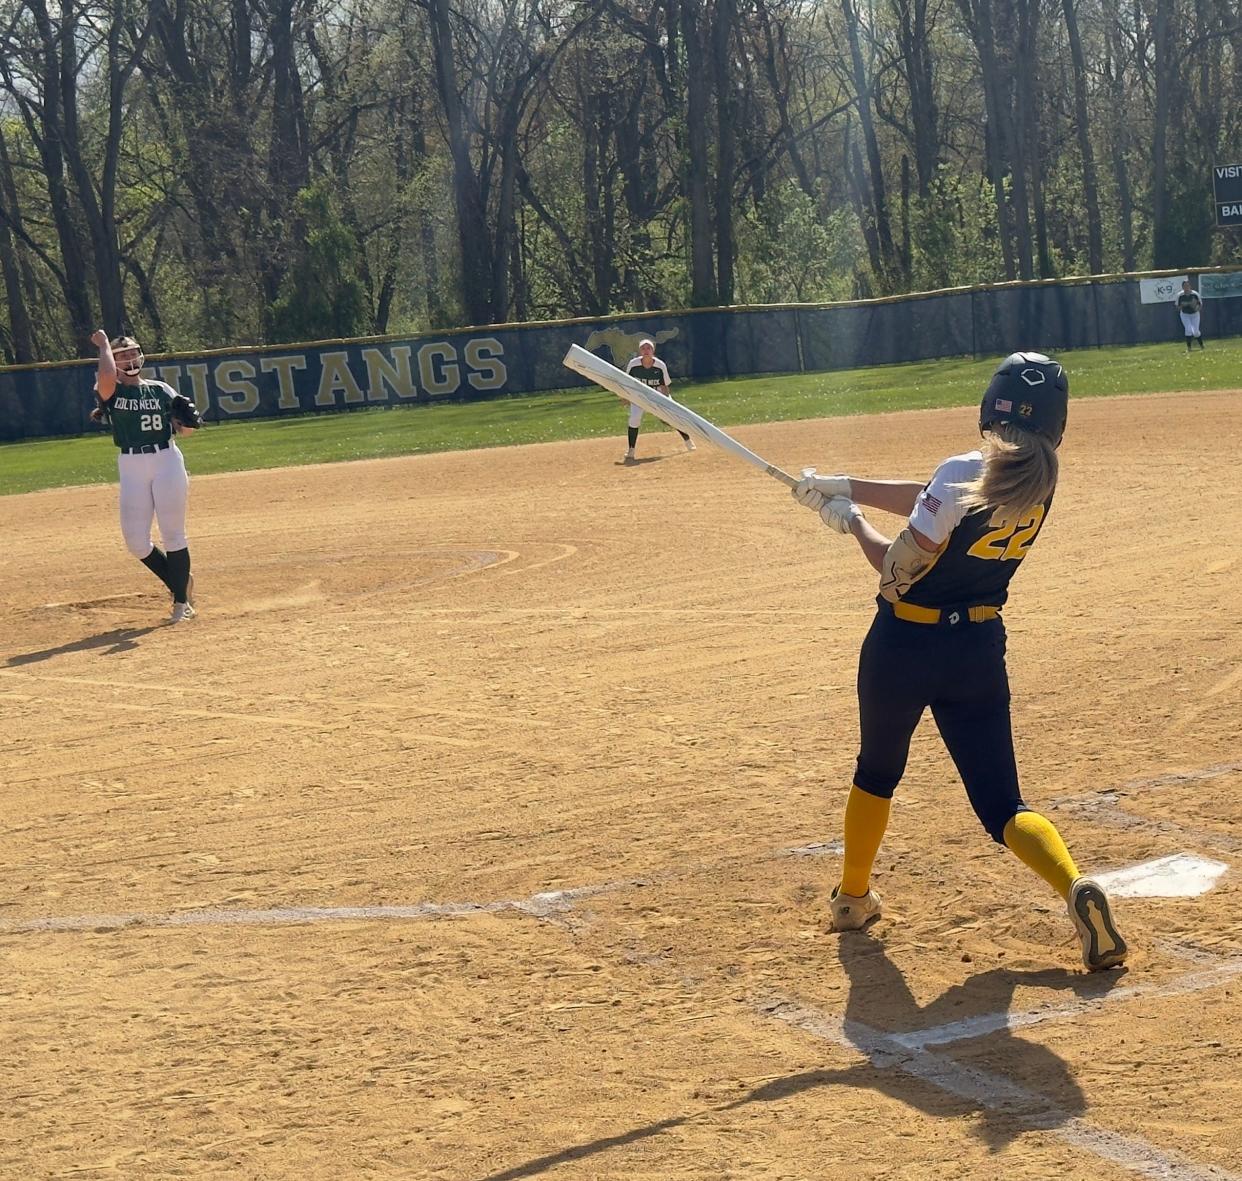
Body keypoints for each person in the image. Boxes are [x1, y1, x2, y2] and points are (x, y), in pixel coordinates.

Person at [792, 352, 1127, 971]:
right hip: (977, 650)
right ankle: (1074, 886)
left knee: (877, 771)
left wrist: (853, 524)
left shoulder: (963, 471)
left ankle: (853, 898)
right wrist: (847, 485)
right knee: (1004, 806)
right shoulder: (1037, 480)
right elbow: (937, 496)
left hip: (903, 646)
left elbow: (897, 571)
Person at [91, 330, 199, 623]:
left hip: (166, 461)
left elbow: (185, 431)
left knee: (173, 533)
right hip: (132, 465)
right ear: (113, 360)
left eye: (131, 352)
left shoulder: (161, 389)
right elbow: (105, 377)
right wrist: (103, 346)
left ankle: (181, 603)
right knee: (136, 542)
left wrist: (189, 422)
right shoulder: (111, 390)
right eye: (121, 355)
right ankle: (180, 581)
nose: (128, 358)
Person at [623, 339, 695, 461]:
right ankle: (631, 450)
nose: (646, 351)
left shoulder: (660, 365)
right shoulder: (633, 364)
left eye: (648, 348)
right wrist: (625, 396)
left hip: (657, 392)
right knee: (634, 418)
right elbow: (626, 381)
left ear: (653, 350)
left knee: (672, 417)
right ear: (640, 351)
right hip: (639, 394)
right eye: (643, 348)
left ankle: (688, 440)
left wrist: (667, 402)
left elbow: (664, 386)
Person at [1176, 280, 1205, 350]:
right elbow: (1178, 308)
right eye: (1185, 286)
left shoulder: (1195, 294)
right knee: (1188, 329)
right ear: (1182, 287)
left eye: (1187, 285)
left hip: (1195, 314)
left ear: (1190, 286)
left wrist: (1196, 308)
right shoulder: (1180, 295)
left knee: (1196, 332)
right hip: (1185, 314)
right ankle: (1189, 348)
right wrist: (1183, 305)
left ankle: (1201, 345)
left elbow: (1200, 305)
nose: (1186, 287)